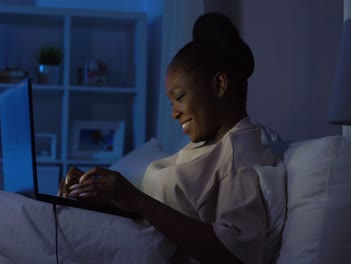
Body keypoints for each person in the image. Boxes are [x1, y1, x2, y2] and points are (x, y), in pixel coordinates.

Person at [59, 12, 278, 264]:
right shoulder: (205, 147)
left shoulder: (240, 153)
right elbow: (161, 214)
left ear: (219, 85)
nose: (174, 112)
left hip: (133, 250)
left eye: (180, 97)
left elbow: (236, 253)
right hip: (118, 242)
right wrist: (99, 196)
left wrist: (137, 201)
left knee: (7, 214)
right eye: (171, 102)